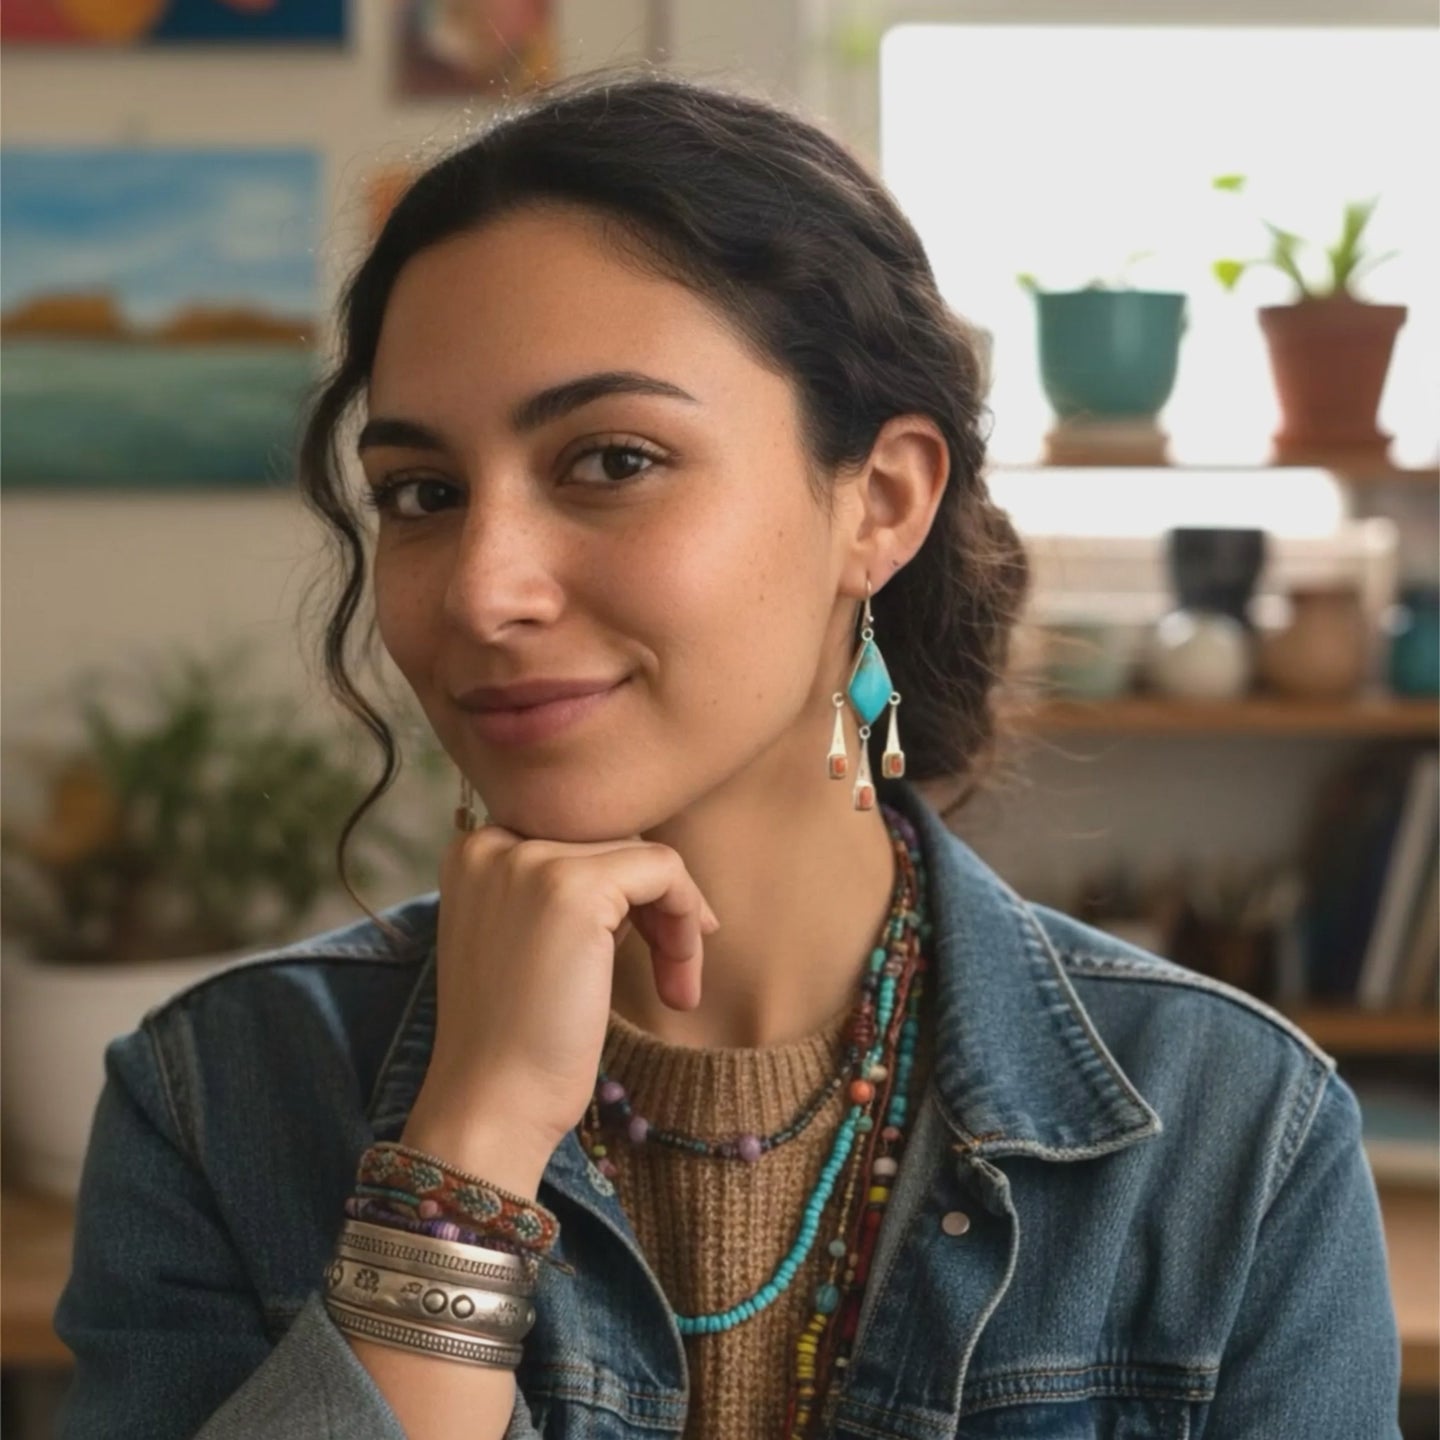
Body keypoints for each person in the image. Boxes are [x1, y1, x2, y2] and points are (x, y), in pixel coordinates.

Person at [54, 65, 1402, 1440]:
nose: (481, 589)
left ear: (878, 502)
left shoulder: (1239, 1137)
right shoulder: (221, 1100)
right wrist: (470, 1149)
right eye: (423, 493)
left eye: (613, 461)